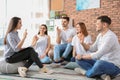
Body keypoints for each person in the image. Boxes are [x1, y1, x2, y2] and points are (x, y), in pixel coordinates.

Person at [74, 16, 120, 80]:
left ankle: (87, 73)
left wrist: (82, 56)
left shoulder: (110, 37)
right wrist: (82, 43)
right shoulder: (100, 35)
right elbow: (93, 48)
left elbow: (98, 55)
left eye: (97, 23)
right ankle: (102, 74)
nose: (95, 25)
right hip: (101, 61)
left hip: (113, 66)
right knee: (78, 60)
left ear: (104, 25)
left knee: (99, 63)